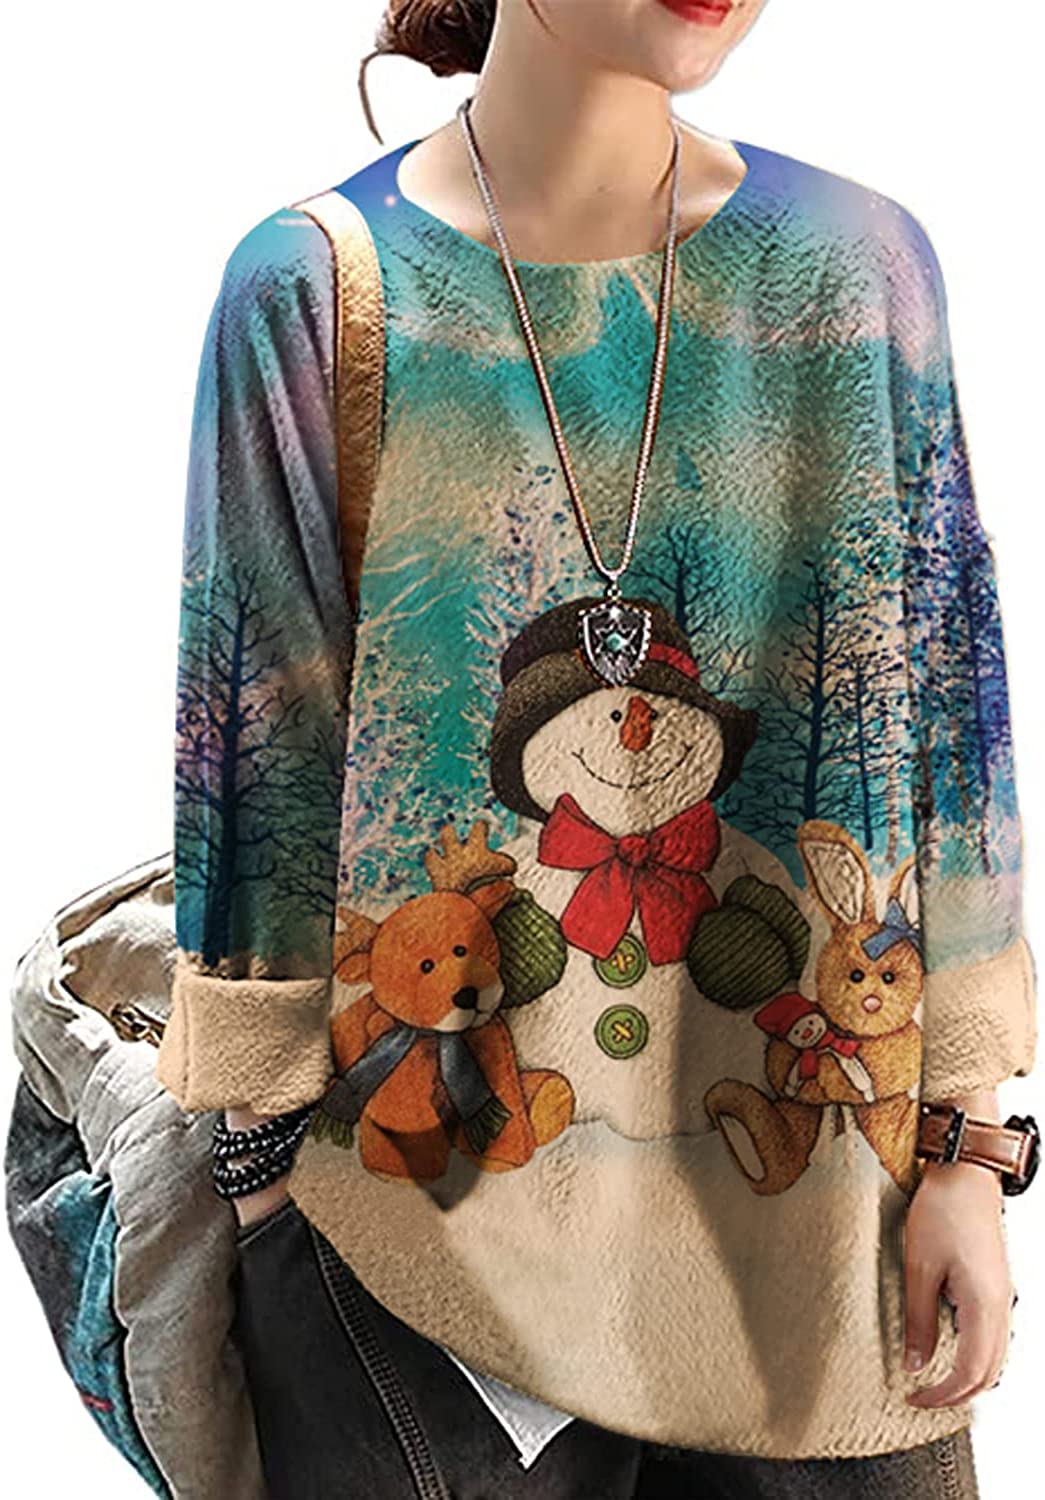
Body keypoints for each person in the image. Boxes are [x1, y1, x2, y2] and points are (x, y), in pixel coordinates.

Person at [155, 2, 1038, 1496]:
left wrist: (968, 1147)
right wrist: (264, 1194)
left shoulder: (852, 273)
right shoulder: (316, 290)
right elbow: (257, 753)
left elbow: (947, 733)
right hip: (411, 1254)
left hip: (823, 1247)